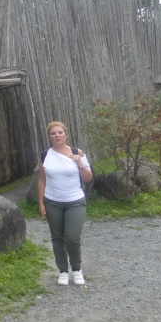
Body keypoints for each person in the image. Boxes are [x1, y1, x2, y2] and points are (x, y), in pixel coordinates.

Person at [36, 121, 93, 286]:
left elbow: (88, 178)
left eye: (60, 132)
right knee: (57, 238)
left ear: (65, 134)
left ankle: (76, 269)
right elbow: (41, 179)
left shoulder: (77, 153)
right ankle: (62, 271)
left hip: (75, 201)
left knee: (72, 237)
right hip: (52, 201)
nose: (57, 135)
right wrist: (41, 203)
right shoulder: (45, 155)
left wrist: (79, 164)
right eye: (53, 133)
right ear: (49, 137)